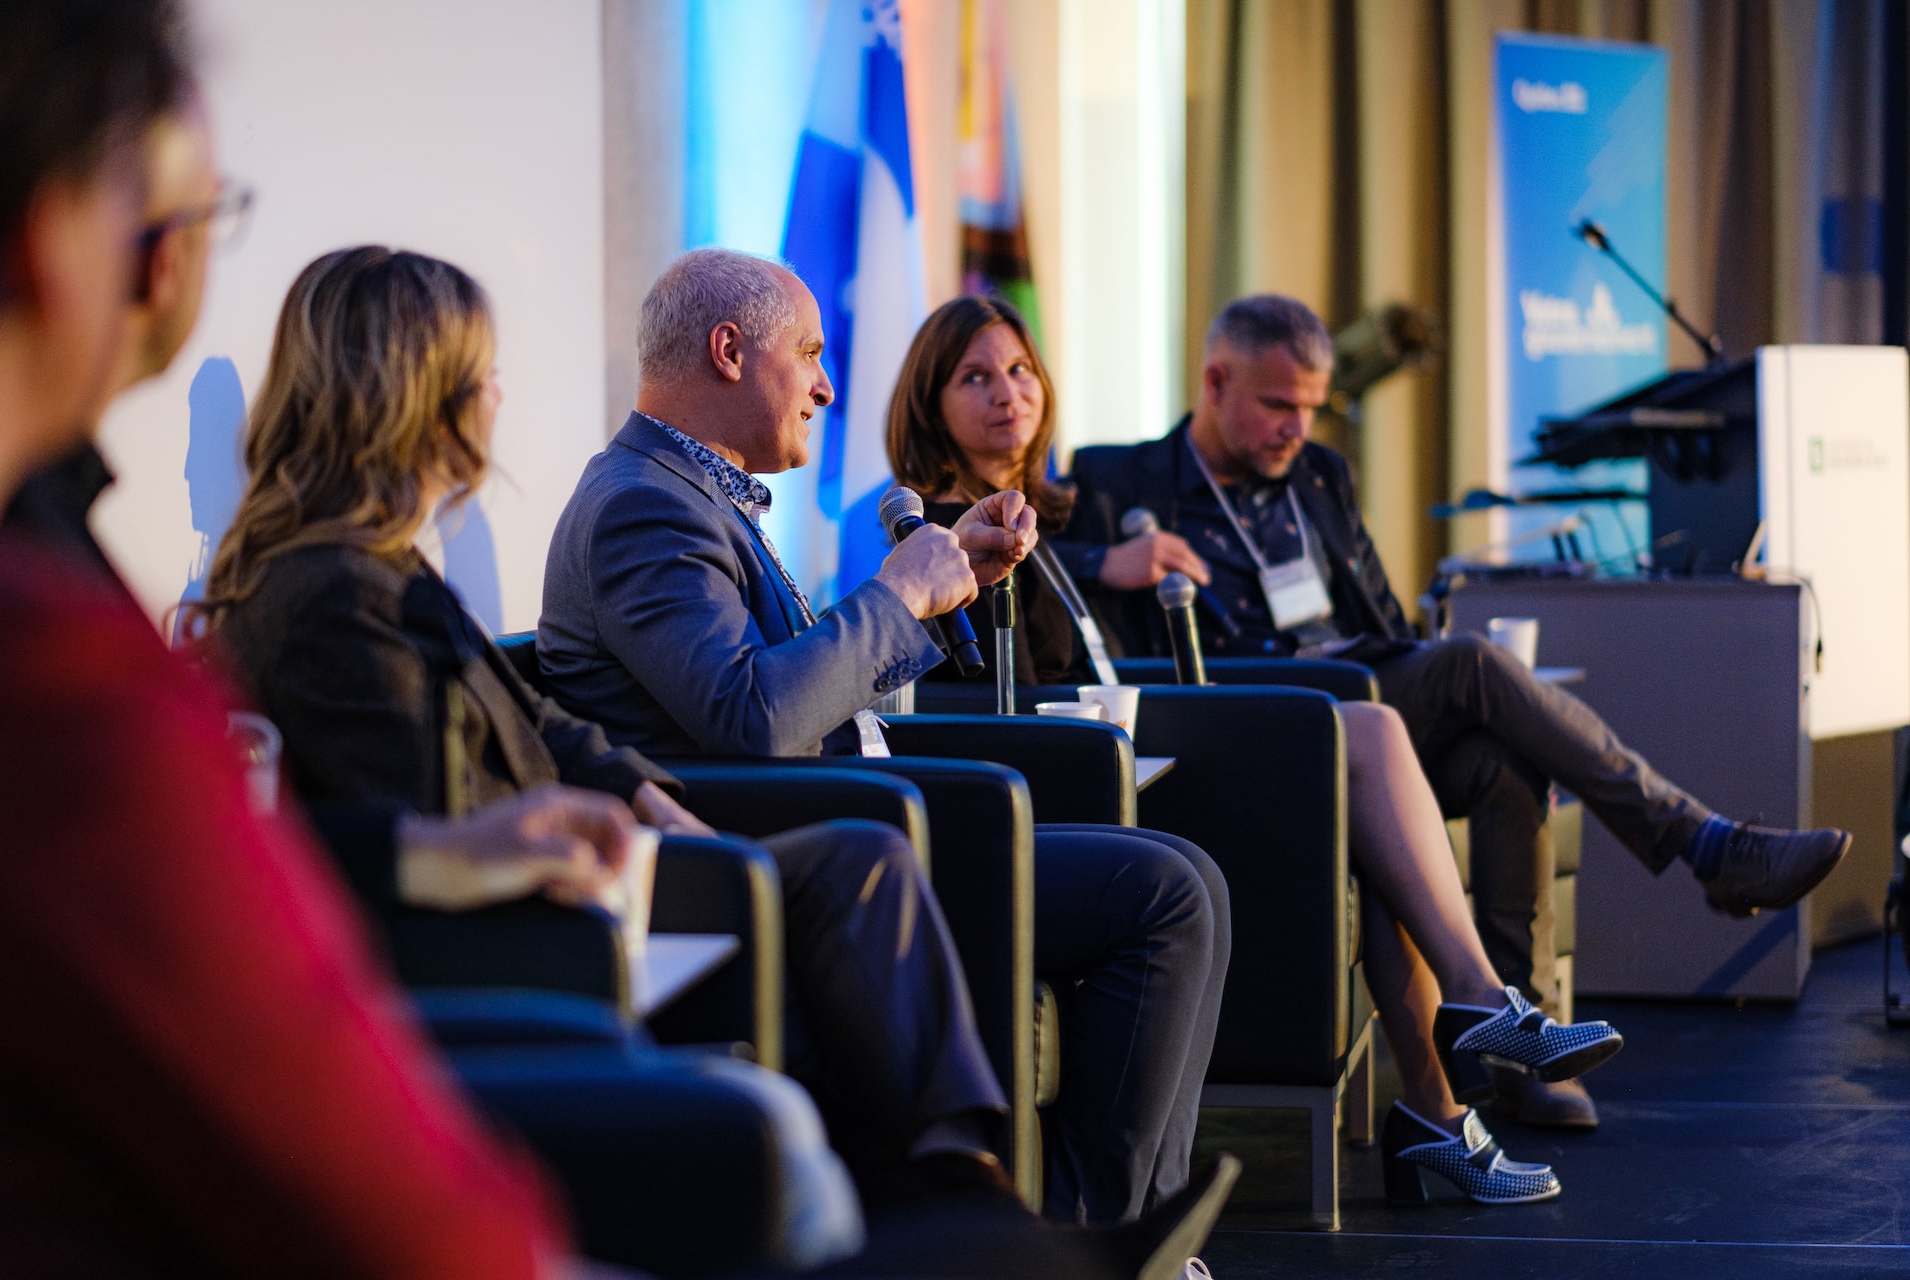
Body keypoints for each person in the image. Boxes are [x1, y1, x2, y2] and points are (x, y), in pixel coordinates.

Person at [192, 244, 1032, 1214]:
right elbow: (429, 824)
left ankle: (962, 1188)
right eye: (483, 374)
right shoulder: (331, 594)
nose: (499, 397)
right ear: (416, 399)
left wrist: (640, 794)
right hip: (532, 922)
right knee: (861, 859)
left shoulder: (375, 565)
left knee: (869, 858)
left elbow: (538, 718)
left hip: (592, 857)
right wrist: (894, 600)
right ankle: (965, 1199)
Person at [0, 2, 573, 1273]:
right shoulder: (69, 682)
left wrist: (440, 849)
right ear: (56, 240)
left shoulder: (69, 576)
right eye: (192, 216)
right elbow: (430, 1234)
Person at [538, 247, 1230, 1230]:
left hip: (863, 813)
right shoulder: (643, 505)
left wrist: (950, 587)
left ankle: (1127, 1224)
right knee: (1160, 892)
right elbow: (752, 718)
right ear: (730, 352)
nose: (826, 386)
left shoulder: (696, 493)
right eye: (809, 354)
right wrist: (899, 593)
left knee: (1187, 873)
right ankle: (1081, 1231)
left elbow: (793, 679)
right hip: (787, 846)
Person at [888, 293, 1625, 1203]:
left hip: (1127, 749)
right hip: (1088, 783)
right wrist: (1100, 573)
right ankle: (1473, 1016)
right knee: (1362, 729)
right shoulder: (931, 531)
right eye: (975, 379)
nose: (1007, 394)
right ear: (930, 402)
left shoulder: (1054, 510)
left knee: (1370, 818)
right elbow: (971, 693)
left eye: (1019, 370)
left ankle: (1439, 1115)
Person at [1061, 293, 1854, 1128]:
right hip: (1253, 714)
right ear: (1216, 381)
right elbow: (1036, 565)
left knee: (1501, 763)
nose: (1297, 427)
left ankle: (1521, 1048)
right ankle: (1706, 845)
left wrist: (1413, 664)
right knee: (1474, 664)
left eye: (1311, 407)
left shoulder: (1320, 475)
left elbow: (1382, 616)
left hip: (1361, 698)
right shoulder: (1117, 478)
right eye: (1278, 405)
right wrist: (1105, 560)